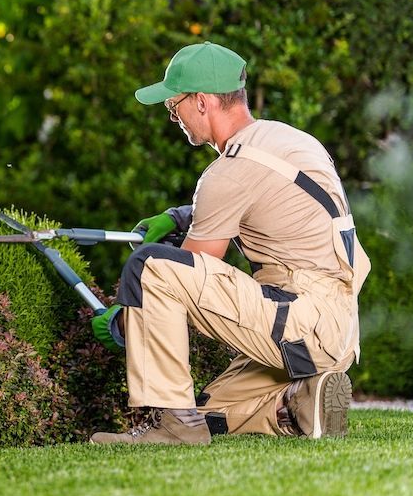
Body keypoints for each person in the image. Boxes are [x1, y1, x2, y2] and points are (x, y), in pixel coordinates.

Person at [89, 41, 370, 445]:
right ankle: (295, 403)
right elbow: (268, 205)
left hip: (301, 323)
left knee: (149, 266)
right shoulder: (287, 140)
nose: (173, 115)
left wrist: (123, 320)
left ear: (202, 102)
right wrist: (180, 216)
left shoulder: (229, 171)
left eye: (174, 104)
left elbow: (189, 274)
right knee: (206, 410)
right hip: (335, 328)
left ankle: (175, 429)